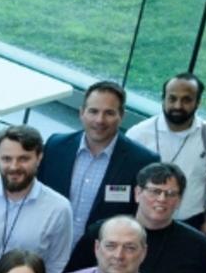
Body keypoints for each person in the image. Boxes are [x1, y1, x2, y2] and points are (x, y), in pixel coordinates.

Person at [64, 163, 206, 273]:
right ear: (137, 193)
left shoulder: (198, 246)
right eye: (155, 191)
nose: (162, 199)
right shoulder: (102, 231)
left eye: (170, 194)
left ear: (179, 200)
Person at [38, 81, 158, 243]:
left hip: (100, 257)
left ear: (121, 116)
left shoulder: (142, 162)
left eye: (109, 113)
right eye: (93, 111)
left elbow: (139, 218)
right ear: (82, 113)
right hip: (47, 245)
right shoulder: (55, 146)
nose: (100, 120)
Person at [128, 73, 206, 238]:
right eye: (172, 99)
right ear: (163, 99)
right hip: (143, 220)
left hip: (190, 223)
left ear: (198, 102)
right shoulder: (138, 134)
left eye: (186, 100)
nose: (178, 105)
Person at [0, 124, 77, 273]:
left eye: (23, 159)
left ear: (39, 157)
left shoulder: (59, 208)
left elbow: (57, 263)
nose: (14, 167)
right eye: (7, 159)